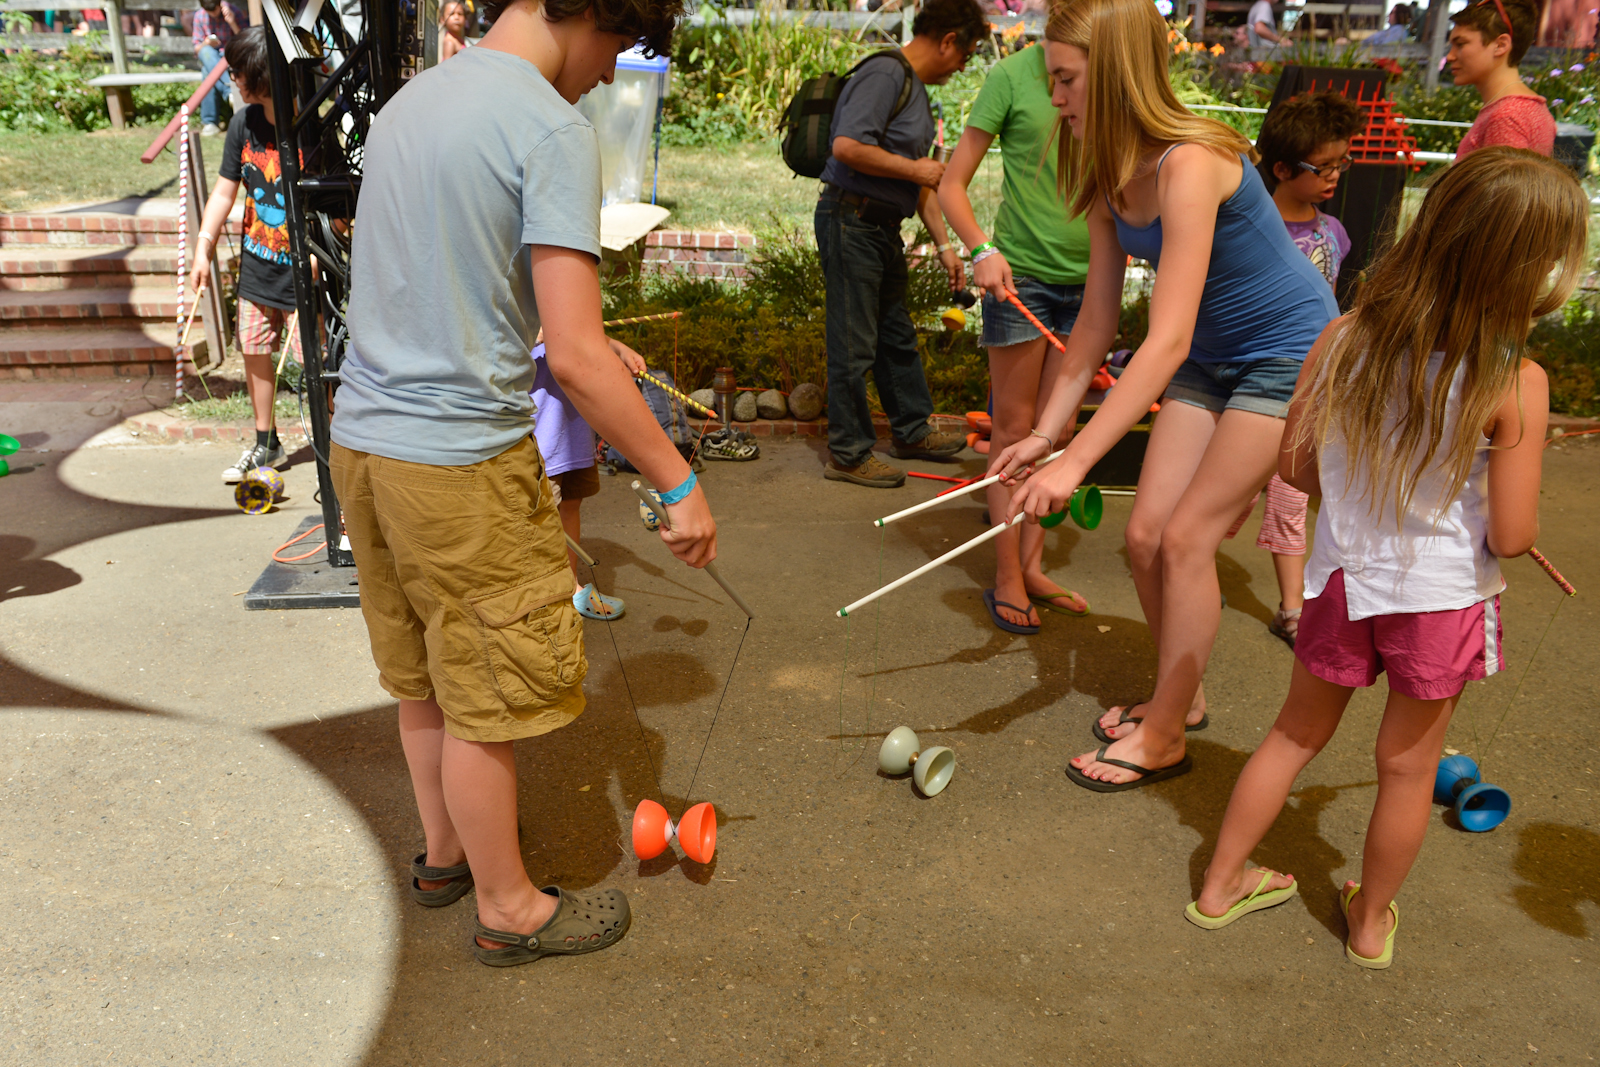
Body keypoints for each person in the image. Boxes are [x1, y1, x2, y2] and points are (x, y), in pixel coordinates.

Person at [331, 0, 713, 968]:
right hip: (458, 463)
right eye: (615, 50)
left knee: (422, 670)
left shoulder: (408, 104)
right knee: (485, 694)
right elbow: (581, 360)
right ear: (595, 13)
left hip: (363, 447)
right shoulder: (549, 129)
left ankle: (447, 854)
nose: (602, 76)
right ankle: (508, 904)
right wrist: (675, 481)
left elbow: (436, 286)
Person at [1186, 148, 1582, 968]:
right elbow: (1509, 536)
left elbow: (1294, 471)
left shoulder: (1343, 335)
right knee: (1408, 769)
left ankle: (1220, 886)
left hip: (1338, 579)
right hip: (1440, 600)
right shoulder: (1518, 381)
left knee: (1293, 736)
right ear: (1533, 266)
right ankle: (1369, 925)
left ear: (1429, 229)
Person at [989, 0, 1338, 790]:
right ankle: (1182, 692)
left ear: (1112, 76)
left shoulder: (1190, 161)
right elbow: (1094, 326)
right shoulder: (1109, 173)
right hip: (1215, 359)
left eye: (1068, 80)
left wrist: (1077, 461)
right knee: (1144, 535)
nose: (1058, 100)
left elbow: (1167, 337)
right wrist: (1046, 436)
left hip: (1289, 353)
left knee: (1187, 539)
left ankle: (1166, 733)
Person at [937, 40, 1093, 632]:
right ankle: (1006, 573)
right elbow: (953, 183)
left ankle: (1031, 565)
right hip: (1020, 278)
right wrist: (982, 248)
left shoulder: (1102, 74)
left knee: (1058, 436)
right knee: (1013, 432)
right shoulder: (1011, 75)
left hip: (1092, 286)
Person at [816, 0, 988, 488]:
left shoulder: (914, 89)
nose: (962, 66)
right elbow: (847, 146)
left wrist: (944, 247)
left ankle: (911, 430)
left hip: (881, 226)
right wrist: (918, 169)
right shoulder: (886, 74)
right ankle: (848, 454)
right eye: (966, 54)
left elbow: (920, 186)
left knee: (895, 335)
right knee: (854, 343)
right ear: (948, 39)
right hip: (852, 219)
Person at [1241, 90, 1363, 647]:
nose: (1336, 174)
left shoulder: (1333, 232)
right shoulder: (1248, 225)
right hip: (1251, 384)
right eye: (1325, 166)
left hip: (1312, 389)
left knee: (1290, 495)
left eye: (1342, 162)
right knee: (1227, 502)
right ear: (1284, 168)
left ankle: (1293, 608)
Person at [188, 27, 301, 484]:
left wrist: (318, 255)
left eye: (237, 70)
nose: (231, 77)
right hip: (257, 267)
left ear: (262, 76)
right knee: (254, 350)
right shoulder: (243, 124)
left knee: (315, 363)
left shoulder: (312, 123)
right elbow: (223, 191)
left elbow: (339, 208)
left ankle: (336, 442)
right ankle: (265, 441)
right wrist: (203, 246)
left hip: (304, 275)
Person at [530, 340, 634, 620]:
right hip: (540, 438)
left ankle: (571, 586)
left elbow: (582, 332)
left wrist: (618, 349)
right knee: (542, 521)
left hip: (574, 433)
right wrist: (531, 333)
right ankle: (546, 598)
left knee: (570, 506)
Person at [1448, 0, 1555, 159]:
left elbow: (1502, 184)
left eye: (1461, 44)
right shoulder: (1528, 106)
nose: (1450, 56)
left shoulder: (1507, 116)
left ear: (1501, 45)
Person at [192, 0, 246, 137]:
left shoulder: (233, 11)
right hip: (212, 57)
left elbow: (246, 40)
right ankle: (230, 92)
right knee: (206, 52)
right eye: (209, 13)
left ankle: (210, 122)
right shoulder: (199, 16)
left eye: (214, 12)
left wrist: (232, 22)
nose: (212, 15)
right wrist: (206, 43)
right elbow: (197, 48)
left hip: (231, 55)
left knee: (207, 72)